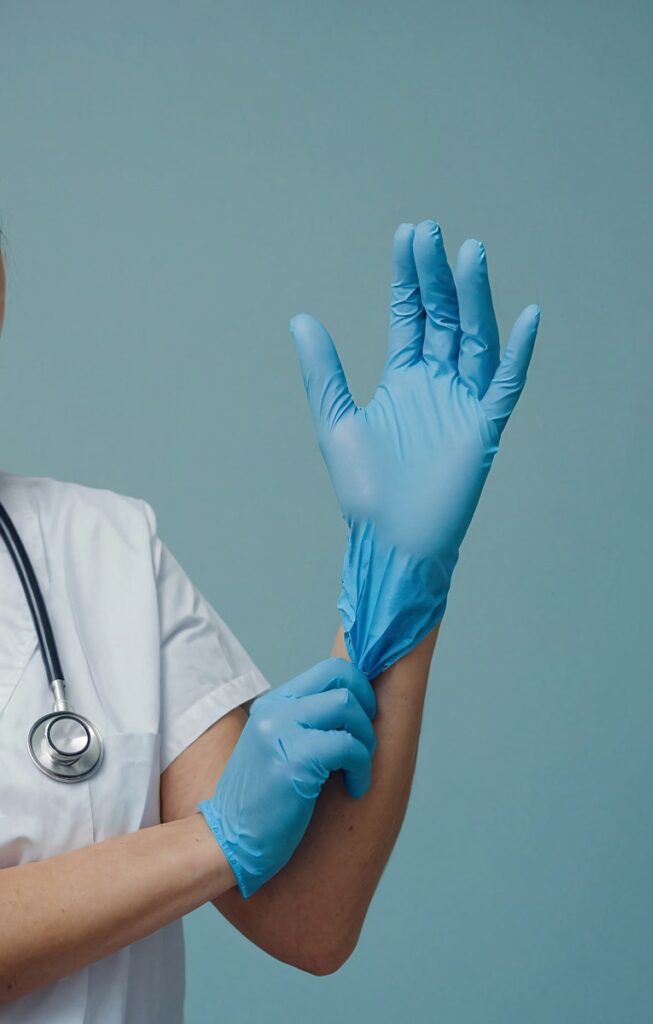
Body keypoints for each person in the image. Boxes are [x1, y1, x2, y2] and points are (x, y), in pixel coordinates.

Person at [0, 219, 540, 1022]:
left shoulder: (104, 549)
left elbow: (307, 917)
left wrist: (395, 585)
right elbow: (230, 841)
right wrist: (212, 840)